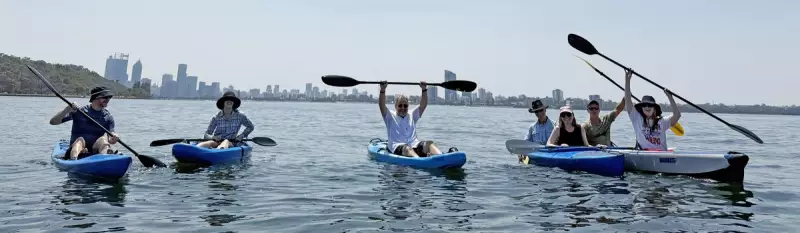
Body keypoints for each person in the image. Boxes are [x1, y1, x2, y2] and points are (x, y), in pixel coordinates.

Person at [378, 81, 454, 157]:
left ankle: (441, 157)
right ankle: (419, 161)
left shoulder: (412, 114)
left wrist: (424, 89)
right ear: (395, 106)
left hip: (414, 144)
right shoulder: (390, 116)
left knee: (429, 144)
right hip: (397, 146)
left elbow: (423, 105)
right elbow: (381, 105)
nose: (403, 108)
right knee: (407, 149)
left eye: (405, 106)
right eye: (400, 105)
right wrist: (383, 90)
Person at [49, 86, 120, 160]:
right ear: (95, 98)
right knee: (80, 141)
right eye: (105, 97)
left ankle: (106, 159)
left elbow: (111, 139)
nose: (108, 99)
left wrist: (114, 137)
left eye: (109, 97)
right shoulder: (79, 112)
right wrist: (67, 109)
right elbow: (53, 122)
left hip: (95, 150)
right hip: (77, 148)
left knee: (103, 140)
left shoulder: (108, 117)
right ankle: (74, 159)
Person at [623, 68, 681, 151]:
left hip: (661, 156)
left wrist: (670, 97)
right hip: (644, 154)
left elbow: (677, 115)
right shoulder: (636, 118)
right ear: (641, 108)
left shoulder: (662, 121)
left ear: (655, 109)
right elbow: (628, 100)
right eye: (644, 105)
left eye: (650, 105)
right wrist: (627, 80)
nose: (647, 107)